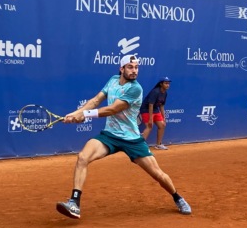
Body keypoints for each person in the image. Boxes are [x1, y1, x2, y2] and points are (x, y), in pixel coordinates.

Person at [56, 55, 191, 219]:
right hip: (110, 135)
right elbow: (96, 100)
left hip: (131, 139)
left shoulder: (136, 89)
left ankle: (177, 197)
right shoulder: (113, 80)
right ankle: (74, 203)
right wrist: (75, 114)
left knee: (158, 175)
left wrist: (85, 114)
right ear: (121, 69)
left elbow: (113, 109)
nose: (134, 71)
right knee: (83, 157)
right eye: (130, 67)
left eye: (136, 67)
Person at [140, 77, 171, 150]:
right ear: (161, 84)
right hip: (146, 109)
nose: (168, 85)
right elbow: (151, 105)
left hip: (155, 110)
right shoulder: (155, 92)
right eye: (166, 83)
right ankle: (139, 146)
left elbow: (162, 106)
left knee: (162, 125)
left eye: (168, 84)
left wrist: (164, 118)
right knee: (149, 126)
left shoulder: (165, 93)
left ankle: (158, 144)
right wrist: (151, 119)